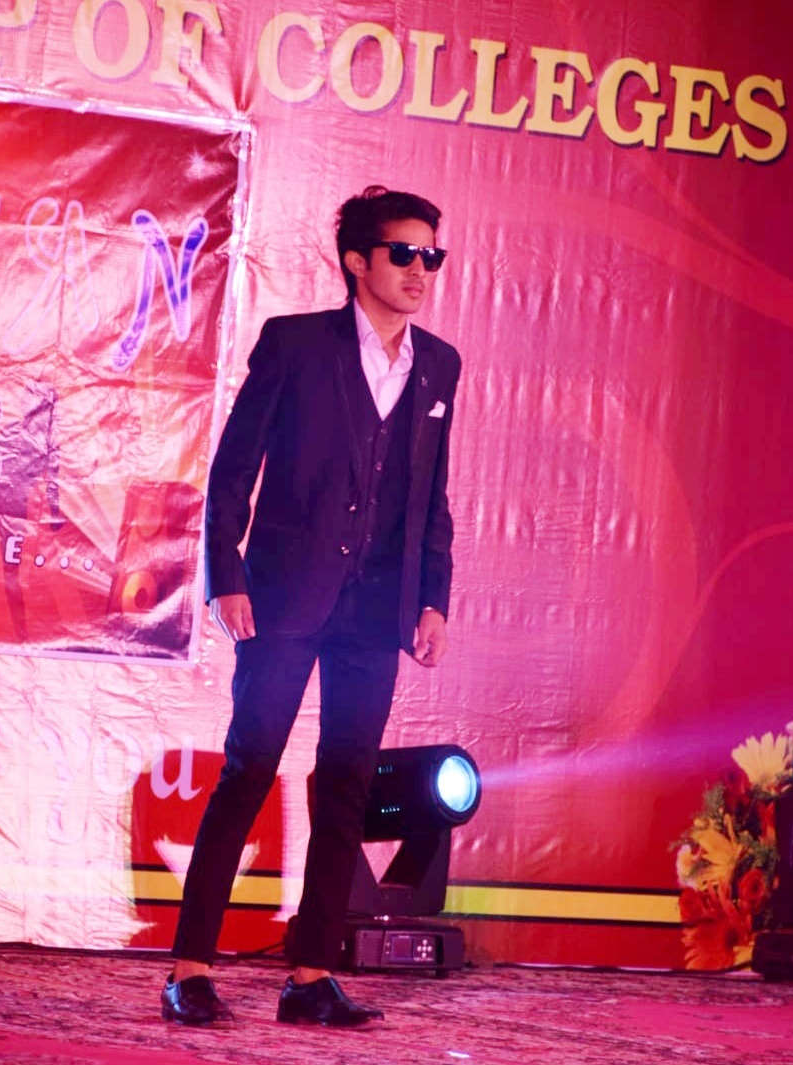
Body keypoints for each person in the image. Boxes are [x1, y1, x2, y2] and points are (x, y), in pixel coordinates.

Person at [161, 185, 461, 1028]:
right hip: (283, 596)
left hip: (376, 609)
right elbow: (233, 470)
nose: (419, 270)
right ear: (357, 261)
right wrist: (227, 576)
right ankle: (189, 969)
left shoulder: (439, 365)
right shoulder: (294, 344)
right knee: (249, 769)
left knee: (347, 786)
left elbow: (431, 495)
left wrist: (432, 598)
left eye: (431, 255)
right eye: (402, 253)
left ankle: (310, 975)